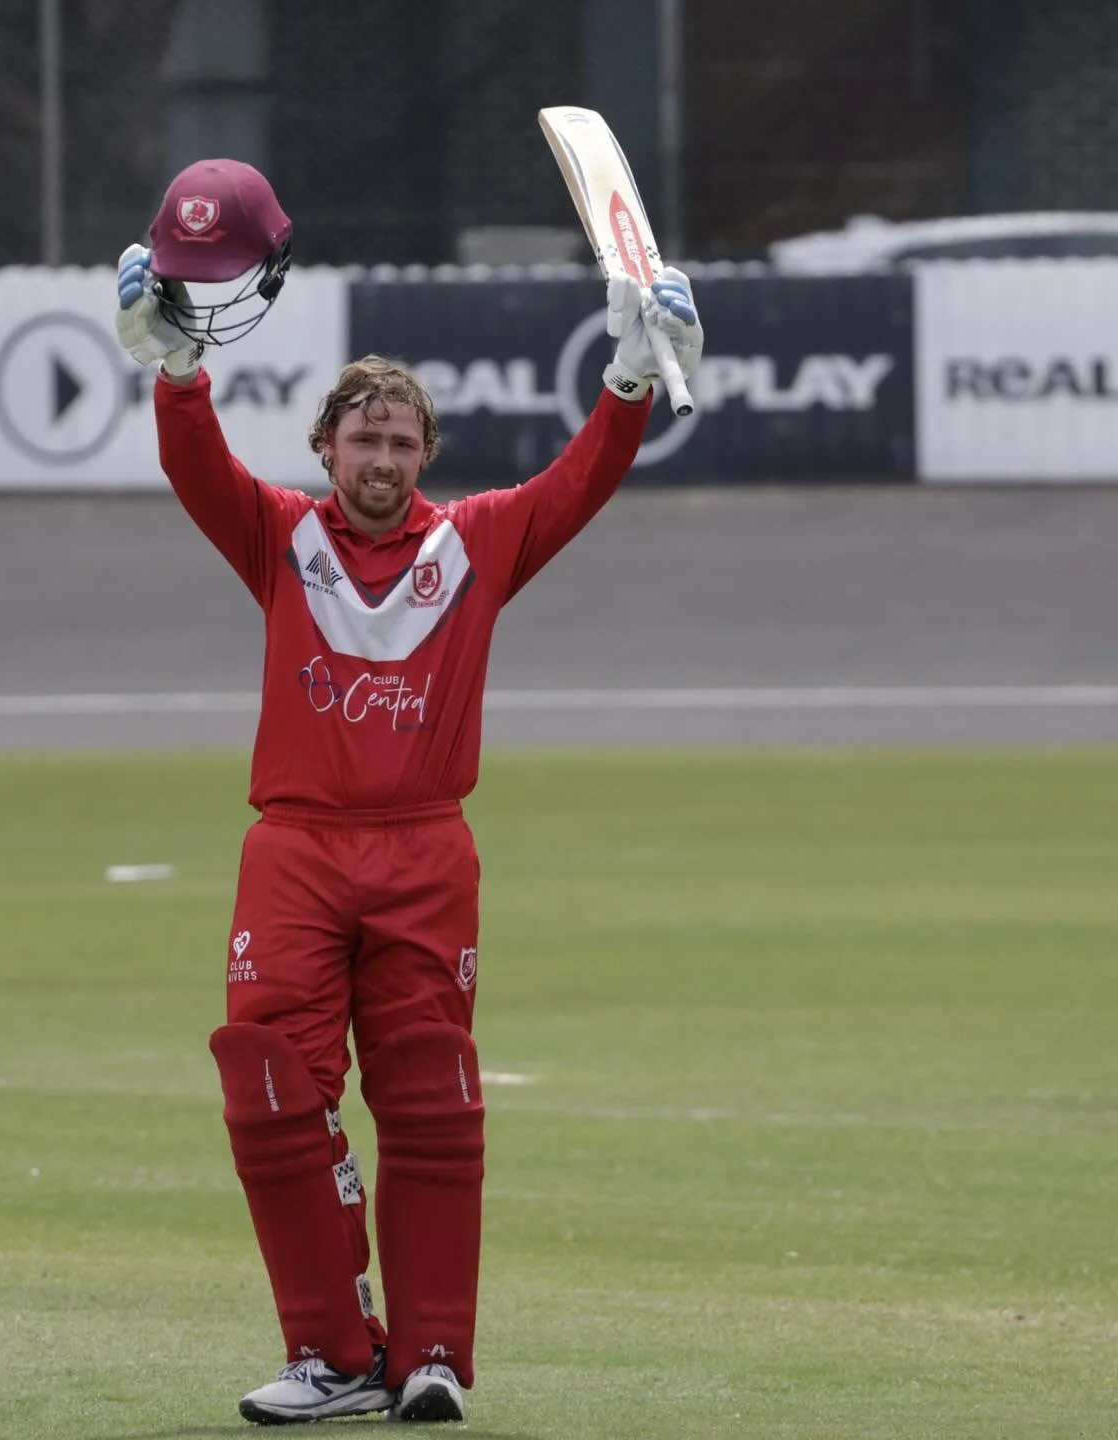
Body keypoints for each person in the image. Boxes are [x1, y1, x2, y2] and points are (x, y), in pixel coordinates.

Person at [115, 160, 703, 1427]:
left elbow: (580, 485)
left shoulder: (476, 544)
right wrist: (174, 370)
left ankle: (429, 1355)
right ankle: (332, 1354)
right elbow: (194, 465)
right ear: (324, 446)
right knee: (267, 1079)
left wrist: (632, 377)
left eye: (399, 440)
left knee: (431, 1095)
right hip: (298, 851)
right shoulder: (280, 538)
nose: (378, 457)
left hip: (426, 852)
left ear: (426, 451)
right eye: (358, 438)